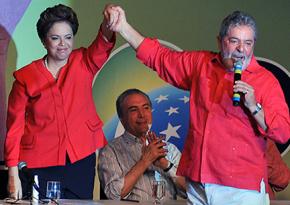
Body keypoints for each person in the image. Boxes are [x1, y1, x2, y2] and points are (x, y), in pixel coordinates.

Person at [104, 6, 290, 205]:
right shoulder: (201, 64)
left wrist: (254, 107)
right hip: (198, 183)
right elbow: (159, 57)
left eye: (248, 43)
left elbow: (283, 132)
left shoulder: (265, 81)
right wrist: (123, 27)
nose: (241, 49)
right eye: (234, 41)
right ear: (220, 41)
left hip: (240, 188)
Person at [4, 4, 116, 200]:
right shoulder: (25, 78)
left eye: (68, 37)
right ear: (43, 40)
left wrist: (109, 22)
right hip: (40, 162)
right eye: (55, 38)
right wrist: (13, 173)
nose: (63, 44)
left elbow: (103, 43)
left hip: (80, 160)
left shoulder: (84, 61)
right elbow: (15, 129)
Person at [98, 88, 186, 201]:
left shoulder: (169, 148)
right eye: (133, 110)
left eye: (146, 108)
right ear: (122, 119)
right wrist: (145, 161)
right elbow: (113, 195)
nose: (142, 115)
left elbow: (190, 192)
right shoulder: (110, 151)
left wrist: (165, 165)